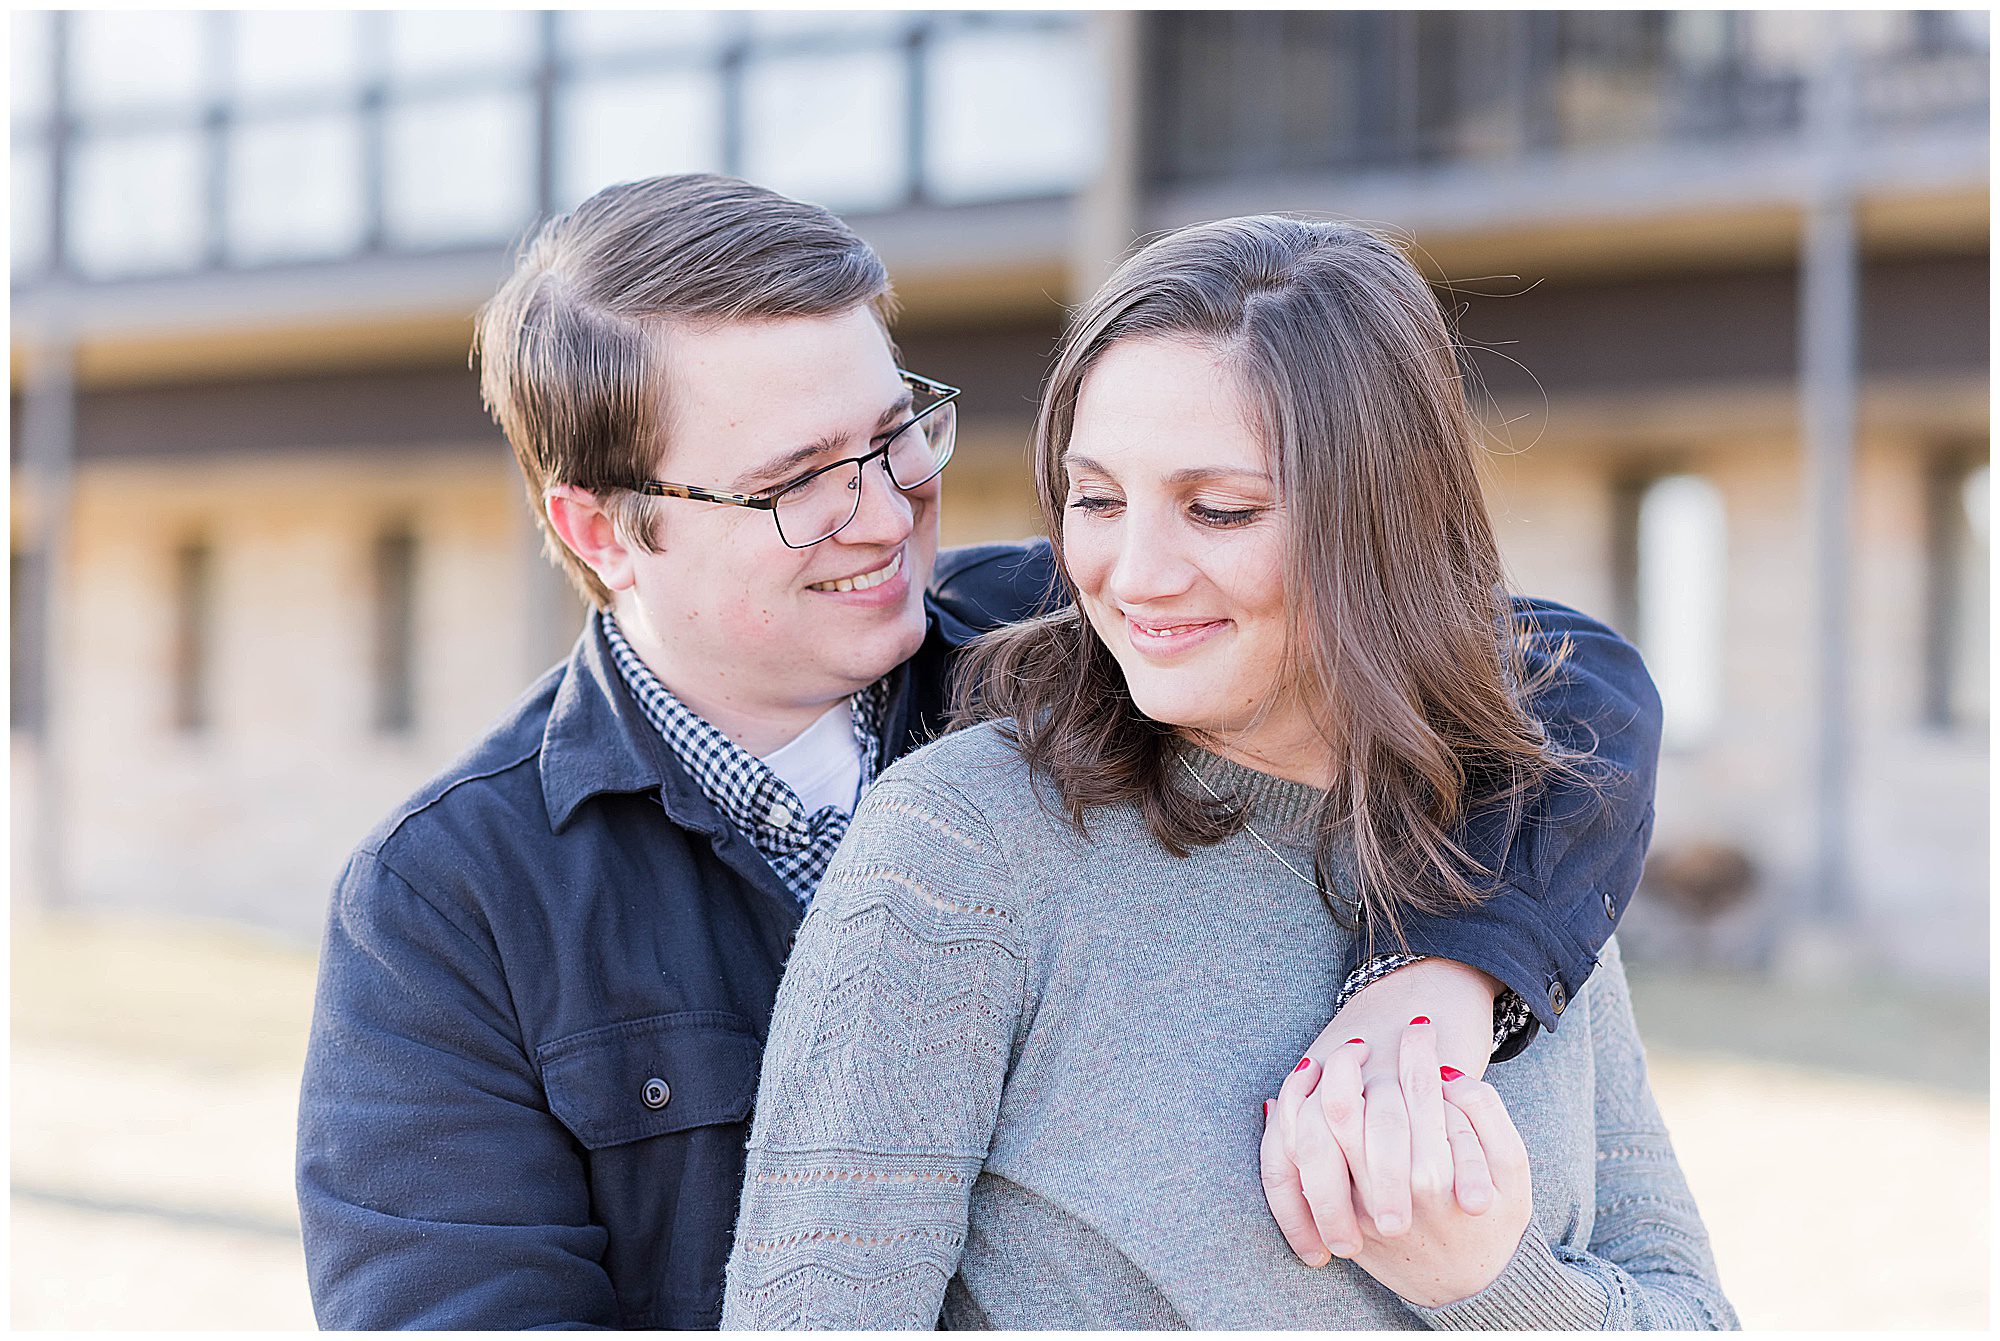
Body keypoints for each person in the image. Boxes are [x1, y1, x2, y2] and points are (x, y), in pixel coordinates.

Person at [295, 176, 1661, 1329]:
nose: (885, 514)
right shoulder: (449, 903)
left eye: (896, 436)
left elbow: (1545, 674)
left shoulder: (1083, 653)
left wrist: (1436, 971)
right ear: (600, 528)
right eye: (796, 483)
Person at [720, 215, 1733, 1329]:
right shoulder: (962, 850)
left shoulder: (1508, 833)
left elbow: (1690, 1311)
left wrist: (1489, 1285)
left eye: (1219, 509)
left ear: (1380, 523)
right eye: (1095, 498)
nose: (1134, 574)